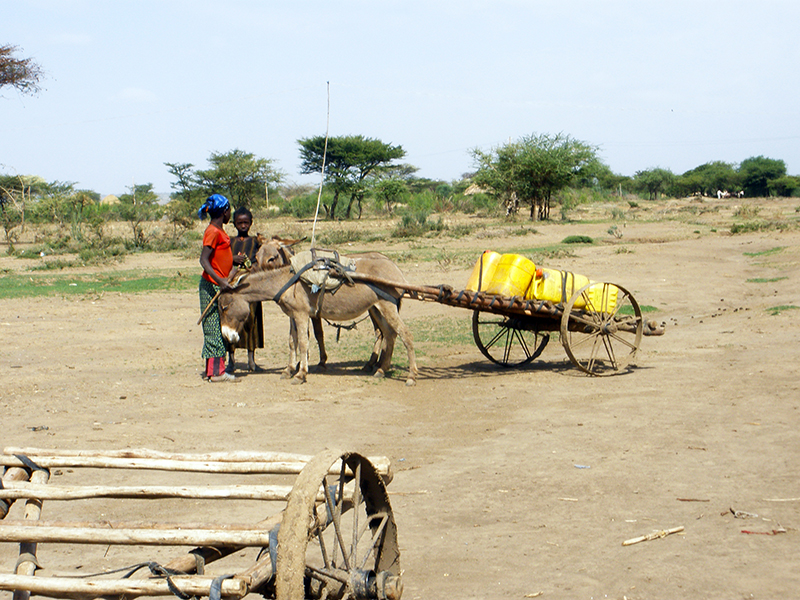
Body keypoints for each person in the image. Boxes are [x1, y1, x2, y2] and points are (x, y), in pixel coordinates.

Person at [197, 193, 243, 382]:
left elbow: (218, 257)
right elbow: (204, 260)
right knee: (213, 328)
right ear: (224, 212)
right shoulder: (213, 232)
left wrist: (233, 260)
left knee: (218, 326)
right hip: (212, 286)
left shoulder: (219, 231)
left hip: (219, 285)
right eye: (229, 210)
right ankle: (216, 373)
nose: (230, 214)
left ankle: (216, 369)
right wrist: (220, 281)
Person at [228, 206, 264, 373]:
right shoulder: (229, 242)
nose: (243, 226)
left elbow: (261, 261)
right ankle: (231, 360)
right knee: (231, 322)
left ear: (251, 223)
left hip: (251, 287)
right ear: (234, 223)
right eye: (239, 223)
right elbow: (222, 259)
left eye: (246, 222)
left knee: (252, 322)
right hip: (233, 288)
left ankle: (251, 361)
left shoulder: (256, 242)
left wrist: (252, 266)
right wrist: (232, 259)